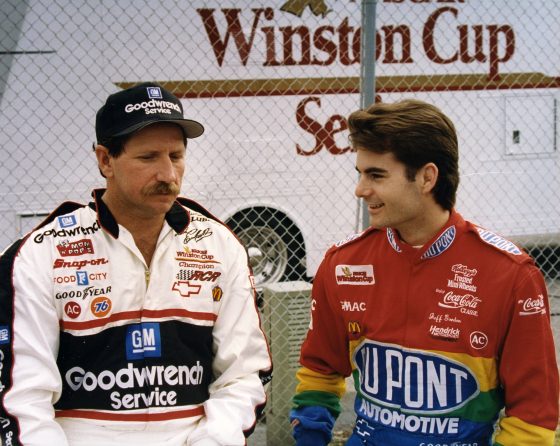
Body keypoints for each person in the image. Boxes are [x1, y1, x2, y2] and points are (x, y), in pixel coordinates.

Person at [0, 82, 272, 446]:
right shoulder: (42, 252)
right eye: (148, 158)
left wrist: (213, 441)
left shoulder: (219, 245)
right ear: (105, 160)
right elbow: (22, 396)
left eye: (176, 156)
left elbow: (242, 375)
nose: (168, 175)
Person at [290, 99, 559, 445]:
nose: (360, 189)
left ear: (427, 177)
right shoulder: (343, 263)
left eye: (376, 175)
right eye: (360, 173)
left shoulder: (511, 274)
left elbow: (532, 416)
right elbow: (320, 372)